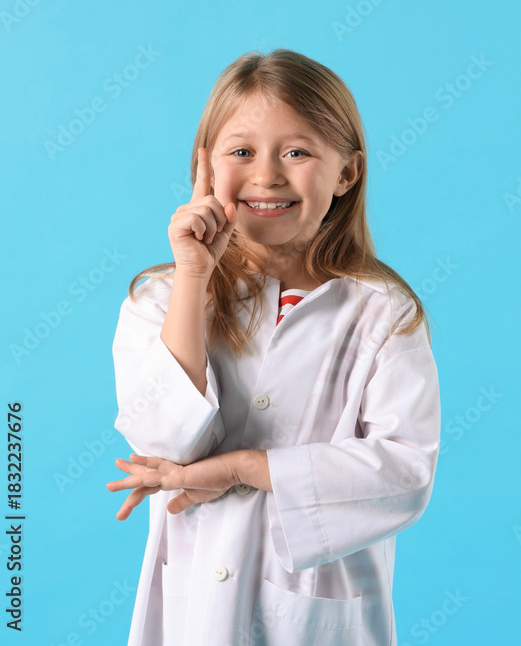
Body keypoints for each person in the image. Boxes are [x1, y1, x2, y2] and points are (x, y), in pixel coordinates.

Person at [105, 48, 440, 646]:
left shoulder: (383, 314)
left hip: (317, 620)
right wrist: (194, 274)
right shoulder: (159, 300)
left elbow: (405, 474)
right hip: (191, 614)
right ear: (205, 166)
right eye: (241, 152)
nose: (266, 176)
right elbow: (162, 442)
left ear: (347, 173)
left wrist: (243, 468)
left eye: (297, 152)